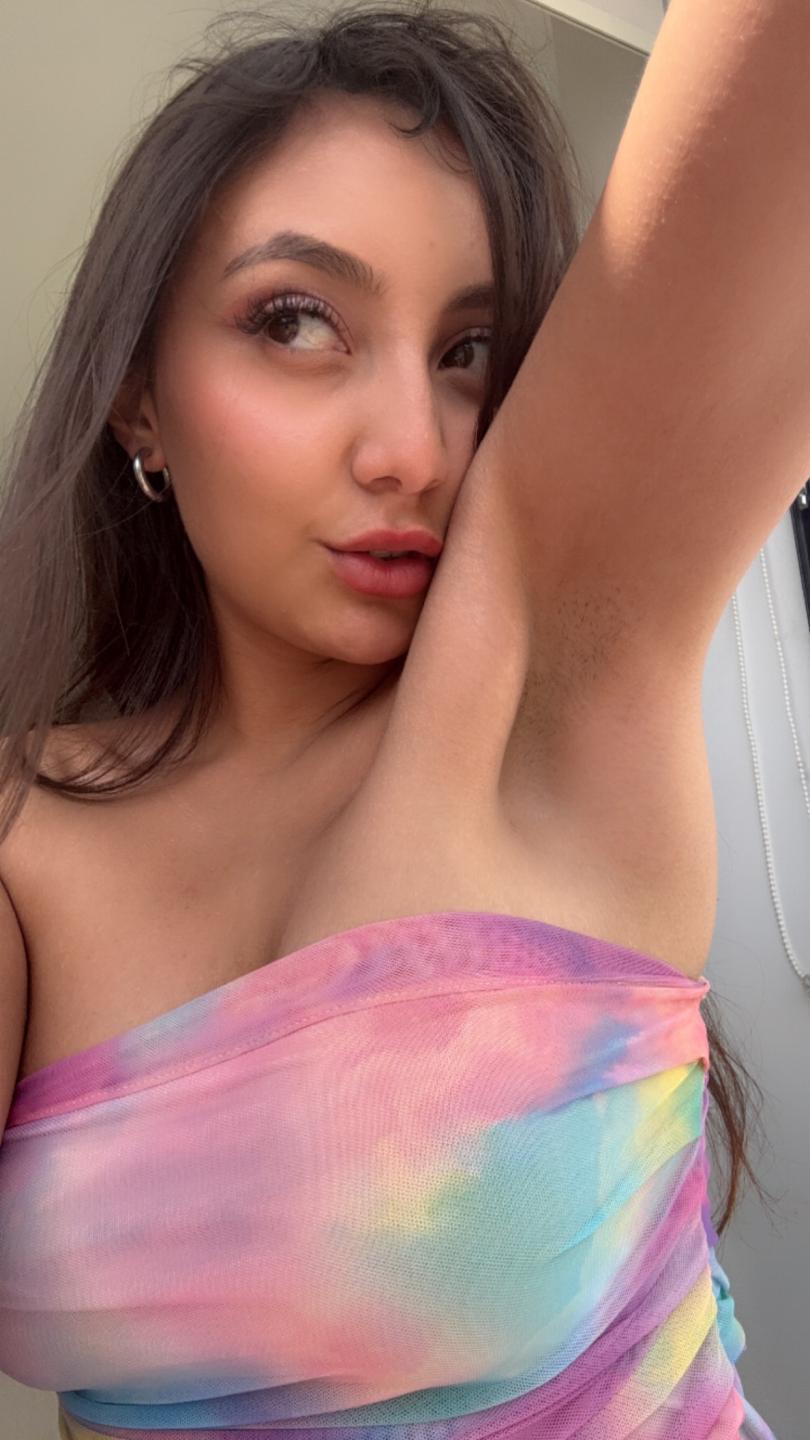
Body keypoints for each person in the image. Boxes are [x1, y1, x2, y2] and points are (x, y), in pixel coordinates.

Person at [0, 0, 794, 1434]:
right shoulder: (25, 845)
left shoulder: (542, 691)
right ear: (138, 400)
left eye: (469, 350)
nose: (411, 452)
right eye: (296, 322)